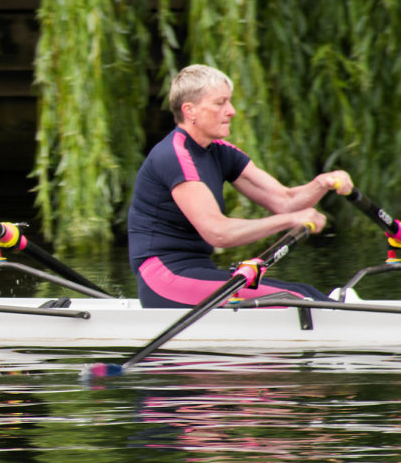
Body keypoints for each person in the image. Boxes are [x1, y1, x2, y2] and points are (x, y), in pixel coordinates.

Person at [127, 64, 353, 308]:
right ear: (189, 111)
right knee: (300, 300)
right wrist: (291, 221)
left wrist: (321, 183)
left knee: (304, 291)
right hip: (165, 279)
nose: (231, 111)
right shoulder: (174, 155)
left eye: (229, 102)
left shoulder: (221, 152)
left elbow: (285, 201)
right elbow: (218, 232)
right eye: (220, 103)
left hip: (196, 271)